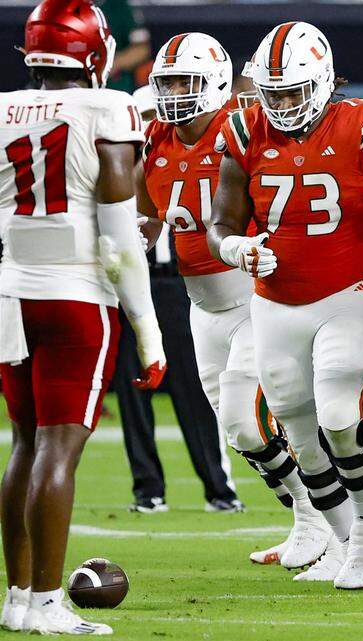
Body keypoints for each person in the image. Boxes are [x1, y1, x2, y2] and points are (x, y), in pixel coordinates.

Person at [208, 21, 363, 589]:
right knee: (300, 432)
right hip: (274, 303)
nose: (282, 102)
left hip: (347, 296)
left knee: (341, 419)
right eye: (273, 91)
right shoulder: (243, 129)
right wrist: (234, 245)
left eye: (293, 91)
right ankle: (346, 543)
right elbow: (221, 222)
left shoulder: (361, 126)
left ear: (323, 83)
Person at [0, 0, 166, 633]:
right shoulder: (110, 107)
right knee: (58, 450)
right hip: (75, 295)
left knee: (23, 443)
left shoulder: (4, 110)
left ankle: (16, 600)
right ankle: (46, 603)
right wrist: (149, 334)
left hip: (12, 290)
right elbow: (120, 238)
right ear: (95, 52)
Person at [137, 32, 331, 568]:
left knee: (255, 422)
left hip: (253, 297)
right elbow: (147, 208)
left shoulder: (240, 130)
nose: (175, 93)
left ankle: (334, 521)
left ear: (218, 83)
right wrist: (139, 229)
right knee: (237, 431)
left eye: (186, 81)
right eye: (168, 82)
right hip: (203, 305)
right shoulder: (155, 136)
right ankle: (307, 517)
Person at [99, 0, 150, 93]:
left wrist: (109, 64)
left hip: (116, 89)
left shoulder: (119, 6)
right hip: (74, 87)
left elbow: (141, 50)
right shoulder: (68, 6)